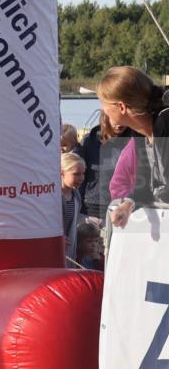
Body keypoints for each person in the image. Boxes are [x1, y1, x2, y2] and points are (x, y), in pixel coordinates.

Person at [100, 66, 169, 228]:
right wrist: (127, 204)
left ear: (122, 107)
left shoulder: (165, 122)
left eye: (104, 102)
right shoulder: (140, 132)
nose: (102, 108)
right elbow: (143, 186)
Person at [60, 153, 86, 266]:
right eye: (76, 174)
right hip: (56, 253)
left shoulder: (76, 195)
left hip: (70, 253)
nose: (81, 178)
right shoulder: (53, 196)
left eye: (83, 174)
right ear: (62, 174)